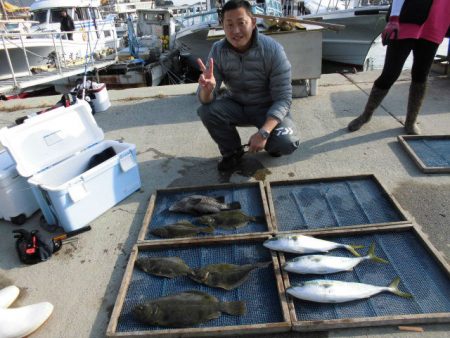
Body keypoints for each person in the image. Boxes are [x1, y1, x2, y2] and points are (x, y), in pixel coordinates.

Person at [197, 0, 299, 172]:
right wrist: (207, 91)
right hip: (237, 104)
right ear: (222, 26)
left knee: (286, 143)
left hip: (266, 107)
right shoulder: (218, 50)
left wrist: (263, 133)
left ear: (252, 22)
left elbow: (283, 98)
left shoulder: (273, 50)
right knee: (206, 111)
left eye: (241, 23)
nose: (235, 31)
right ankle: (232, 153)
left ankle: (272, 143)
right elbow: (204, 101)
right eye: (229, 24)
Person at [347, 0, 450, 135]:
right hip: (406, 20)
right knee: (390, 73)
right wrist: (394, 18)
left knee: (421, 75)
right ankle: (366, 115)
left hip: (436, 24)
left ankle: (410, 121)